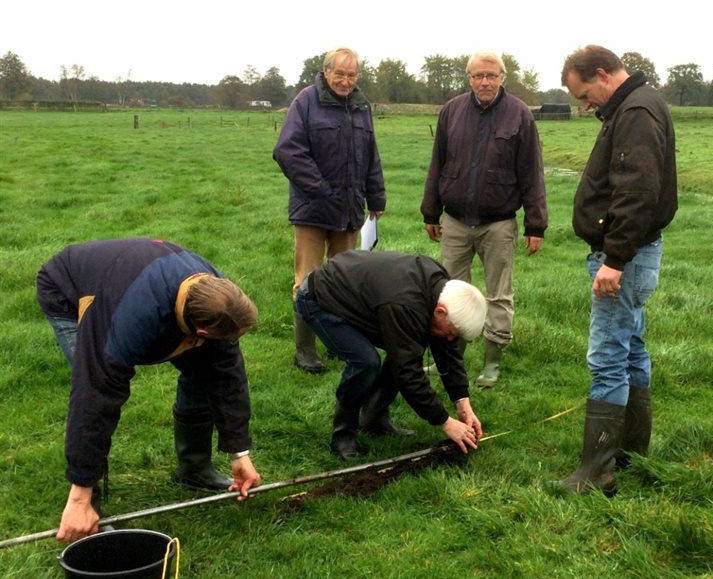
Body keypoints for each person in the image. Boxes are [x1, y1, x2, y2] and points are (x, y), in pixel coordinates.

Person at [36, 238, 262, 542]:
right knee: (93, 385)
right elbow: (95, 398)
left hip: (138, 280)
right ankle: (85, 508)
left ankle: (194, 469)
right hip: (70, 288)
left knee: (205, 371)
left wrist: (239, 452)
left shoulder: (218, 296)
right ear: (202, 332)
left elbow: (226, 375)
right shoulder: (130, 315)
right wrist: (79, 498)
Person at [553, 45, 678, 495]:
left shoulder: (636, 112)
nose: (584, 106)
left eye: (584, 95)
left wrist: (615, 259)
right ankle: (631, 453)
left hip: (625, 255)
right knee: (630, 349)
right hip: (634, 252)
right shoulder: (636, 106)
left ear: (603, 75)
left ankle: (596, 472)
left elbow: (638, 190)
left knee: (607, 358)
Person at [420, 50, 547, 388]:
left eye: (492, 75)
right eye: (478, 76)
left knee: (498, 294)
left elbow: (533, 172)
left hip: (499, 223)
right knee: (448, 293)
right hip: (455, 221)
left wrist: (536, 224)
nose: (485, 82)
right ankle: (451, 357)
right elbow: (438, 164)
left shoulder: (519, 114)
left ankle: (492, 362)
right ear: (469, 78)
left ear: (503, 77)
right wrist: (430, 211)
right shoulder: (452, 111)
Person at [295, 249, 487, 460]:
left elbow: (445, 350)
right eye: (451, 333)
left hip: (363, 297)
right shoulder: (405, 305)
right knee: (365, 362)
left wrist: (463, 402)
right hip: (319, 299)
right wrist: (445, 422)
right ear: (440, 311)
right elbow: (408, 373)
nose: (450, 339)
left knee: (406, 350)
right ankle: (343, 435)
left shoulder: (442, 290)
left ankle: (373, 419)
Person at [273, 46, 387, 374]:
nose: (345, 81)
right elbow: (287, 151)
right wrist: (321, 189)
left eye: (351, 75)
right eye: (340, 74)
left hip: (349, 210)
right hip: (312, 209)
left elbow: (371, 154)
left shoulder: (361, 107)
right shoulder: (306, 101)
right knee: (307, 280)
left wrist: (376, 198)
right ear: (326, 72)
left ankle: (338, 343)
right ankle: (304, 350)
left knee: (343, 282)